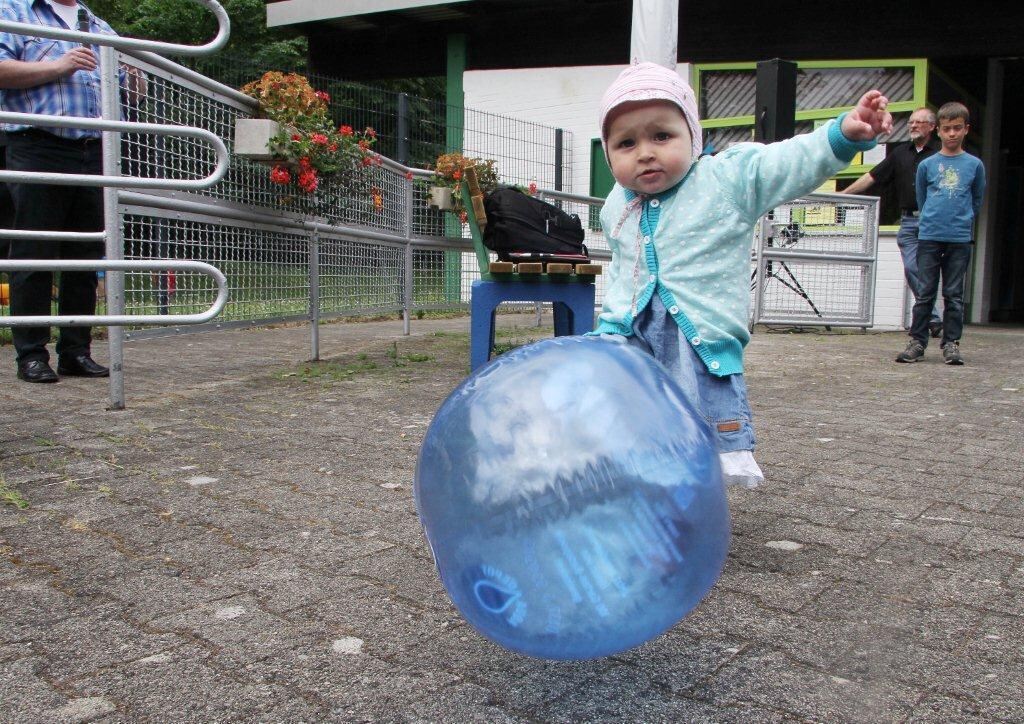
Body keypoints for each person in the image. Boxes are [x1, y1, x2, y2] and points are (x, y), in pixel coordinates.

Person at [593, 62, 892, 488]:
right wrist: (608, 330)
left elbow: (787, 161)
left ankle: (692, 508)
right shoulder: (615, 205)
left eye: (662, 135)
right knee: (630, 430)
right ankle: (637, 500)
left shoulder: (725, 178)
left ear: (692, 136)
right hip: (631, 339)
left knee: (698, 437)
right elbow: (624, 272)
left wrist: (842, 134)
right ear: (609, 155)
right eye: (626, 143)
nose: (645, 152)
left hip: (696, 341)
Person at [0, 0, 141, 383]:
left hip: (97, 149)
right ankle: (31, 355)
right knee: (34, 251)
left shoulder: (97, 24)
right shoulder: (13, 12)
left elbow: (121, 81)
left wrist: (132, 83)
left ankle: (75, 352)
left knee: (85, 254)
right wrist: (59, 65)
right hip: (38, 142)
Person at [895, 102, 985, 366]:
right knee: (925, 292)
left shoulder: (975, 165)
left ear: (966, 129)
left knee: (954, 294)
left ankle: (951, 343)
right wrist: (932, 221)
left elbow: (976, 199)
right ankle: (917, 342)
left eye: (958, 128)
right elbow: (922, 199)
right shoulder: (927, 165)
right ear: (939, 132)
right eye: (947, 129)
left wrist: (963, 219)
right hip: (930, 235)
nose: (952, 134)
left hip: (959, 237)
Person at [842, 107, 942, 338]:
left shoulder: (939, 154)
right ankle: (933, 317)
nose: (913, 126)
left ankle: (931, 318)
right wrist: (845, 193)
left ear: (932, 127)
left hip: (933, 222)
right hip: (908, 221)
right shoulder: (899, 153)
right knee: (912, 268)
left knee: (928, 271)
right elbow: (872, 176)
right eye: (911, 122)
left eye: (919, 122)